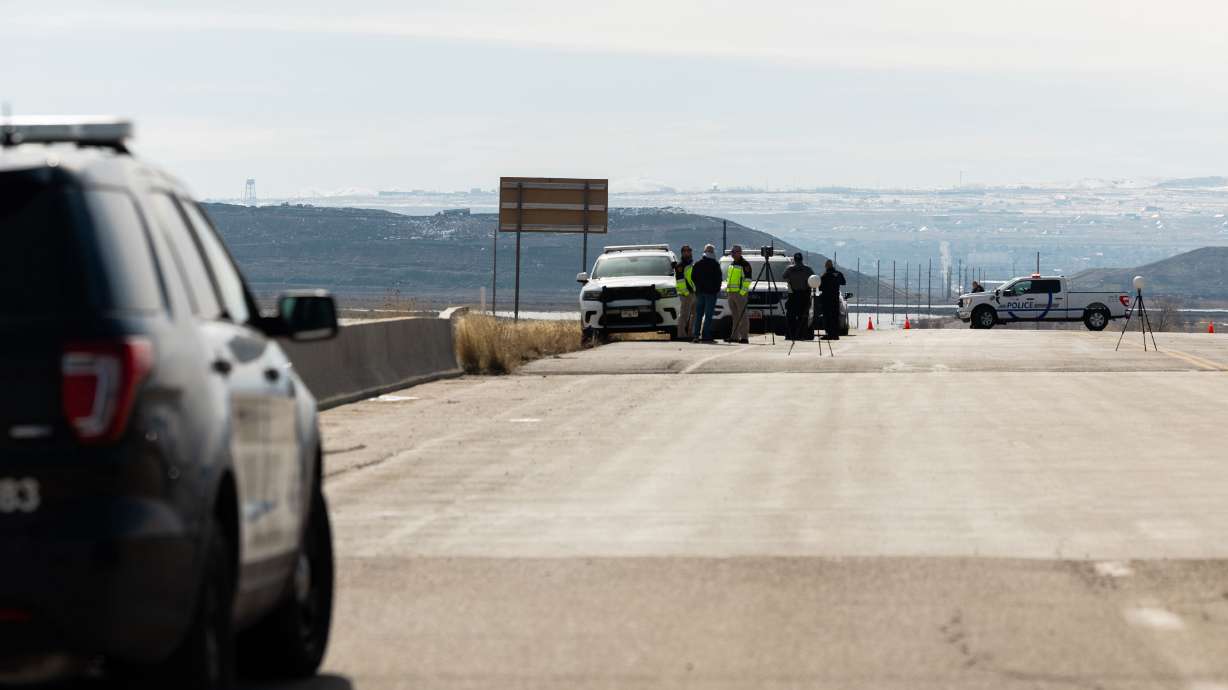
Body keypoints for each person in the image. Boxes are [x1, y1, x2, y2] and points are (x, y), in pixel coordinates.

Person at [690, 244, 722, 343]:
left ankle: (696, 335)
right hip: (711, 293)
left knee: (699, 314)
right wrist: (716, 289)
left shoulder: (698, 263)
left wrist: (698, 288)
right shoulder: (715, 264)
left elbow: (693, 277)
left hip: (700, 293)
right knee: (708, 315)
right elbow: (719, 279)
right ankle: (706, 334)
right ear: (712, 252)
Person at [782, 252, 814, 340]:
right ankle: (802, 334)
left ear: (794, 259)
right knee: (803, 315)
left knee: (791, 316)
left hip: (793, 294)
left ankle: (790, 334)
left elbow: (783, 277)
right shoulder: (808, 269)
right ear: (802, 259)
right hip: (804, 294)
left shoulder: (790, 269)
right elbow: (813, 279)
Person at [725, 245, 753, 344]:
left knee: (743, 316)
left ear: (739, 252)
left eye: (734, 252)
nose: (732, 254)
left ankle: (744, 337)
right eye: (732, 252)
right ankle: (734, 336)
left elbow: (748, 279)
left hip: (740, 294)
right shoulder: (732, 264)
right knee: (735, 316)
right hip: (731, 293)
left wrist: (742, 292)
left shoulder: (744, 264)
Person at [818, 259, 846, 340]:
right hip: (835, 298)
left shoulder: (824, 275)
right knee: (835, 316)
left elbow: (820, 288)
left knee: (827, 316)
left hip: (826, 298)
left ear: (826, 266)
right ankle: (835, 334)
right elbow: (843, 282)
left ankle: (829, 334)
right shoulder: (838, 274)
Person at [673, 245, 696, 340]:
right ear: (682, 252)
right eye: (685, 251)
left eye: (689, 250)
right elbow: (680, 281)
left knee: (694, 315)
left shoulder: (691, 264)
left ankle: (691, 334)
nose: (688, 252)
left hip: (694, 293)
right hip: (686, 294)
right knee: (684, 315)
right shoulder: (680, 265)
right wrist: (686, 293)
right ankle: (681, 334)